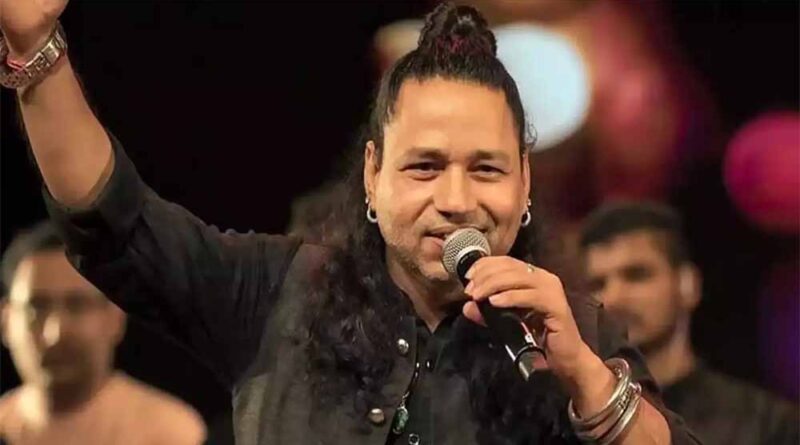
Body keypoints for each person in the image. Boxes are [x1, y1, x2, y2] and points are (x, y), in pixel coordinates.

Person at [1, 1, 699, 444]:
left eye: (486, 170)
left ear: (524, 184)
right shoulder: (274, 292)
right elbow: (114, 223)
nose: (456, 199)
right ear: (373, 175)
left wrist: (586, 380)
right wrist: (37, 54)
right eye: (425, 167)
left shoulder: (577, 333)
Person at [579, 201, 800, 445]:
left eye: (636, 275)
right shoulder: (574, 421)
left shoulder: (767, 424)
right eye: (597, 284)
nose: (612, 298)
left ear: (688, 285)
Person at [0, 221, 206, 444]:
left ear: (116, 318)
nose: (55, 333)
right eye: (36, 307)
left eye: (77, 305)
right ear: (6, 321)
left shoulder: (168, 432)